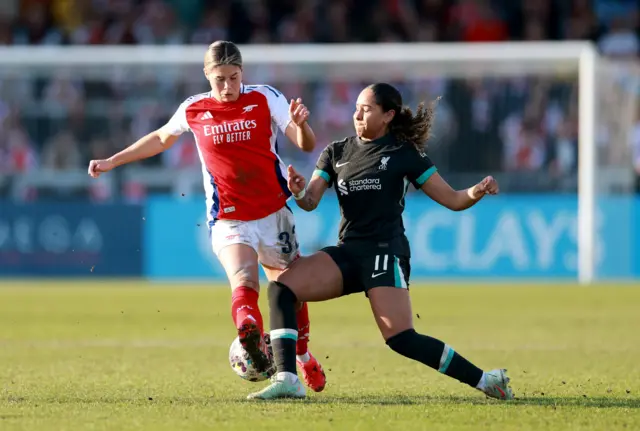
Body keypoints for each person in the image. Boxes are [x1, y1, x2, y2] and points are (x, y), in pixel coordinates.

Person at [247, 83, 514, 400]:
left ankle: (487, 381)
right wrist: (299, 190)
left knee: (400, 338)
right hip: (348, 252)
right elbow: (311, 201)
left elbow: (453, 200)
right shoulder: (336, 152)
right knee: (282, 288)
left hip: (385, 253)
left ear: (388, 115)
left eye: (367, 108)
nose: (357, 113)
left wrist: (477, 191)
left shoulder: (405, 154)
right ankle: (288, 377)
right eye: (356, 107)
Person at [87, 40, 326, 392]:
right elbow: (160, 138)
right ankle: (250, 334)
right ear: (206, 76)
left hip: (274, 213)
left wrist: (303, 126)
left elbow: (304, 143)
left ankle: (302, 357)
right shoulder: (194, 108)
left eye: (233, 77)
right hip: (229, 217)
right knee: (243, 278)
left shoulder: (264, 98)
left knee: (289, 290)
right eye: (220, 80)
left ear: (242, 73)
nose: (228, 87)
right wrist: (113, 161)